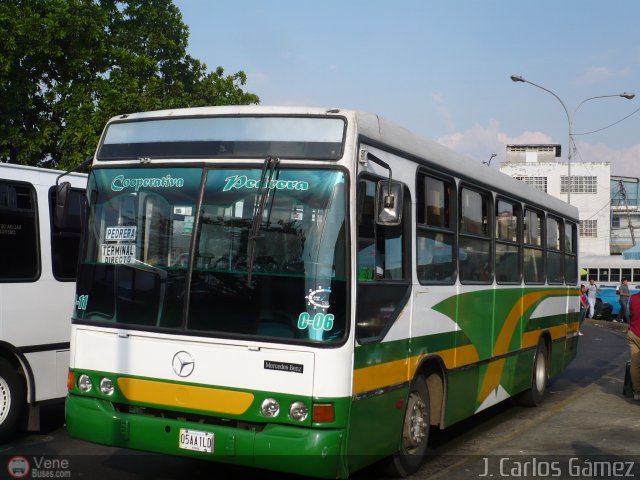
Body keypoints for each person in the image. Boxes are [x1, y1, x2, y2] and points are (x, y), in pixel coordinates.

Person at [627, 292, 640, 401]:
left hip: (633, 333)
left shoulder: (633, 298)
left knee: (635, 364)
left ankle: (637, 392)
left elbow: (628, 314)